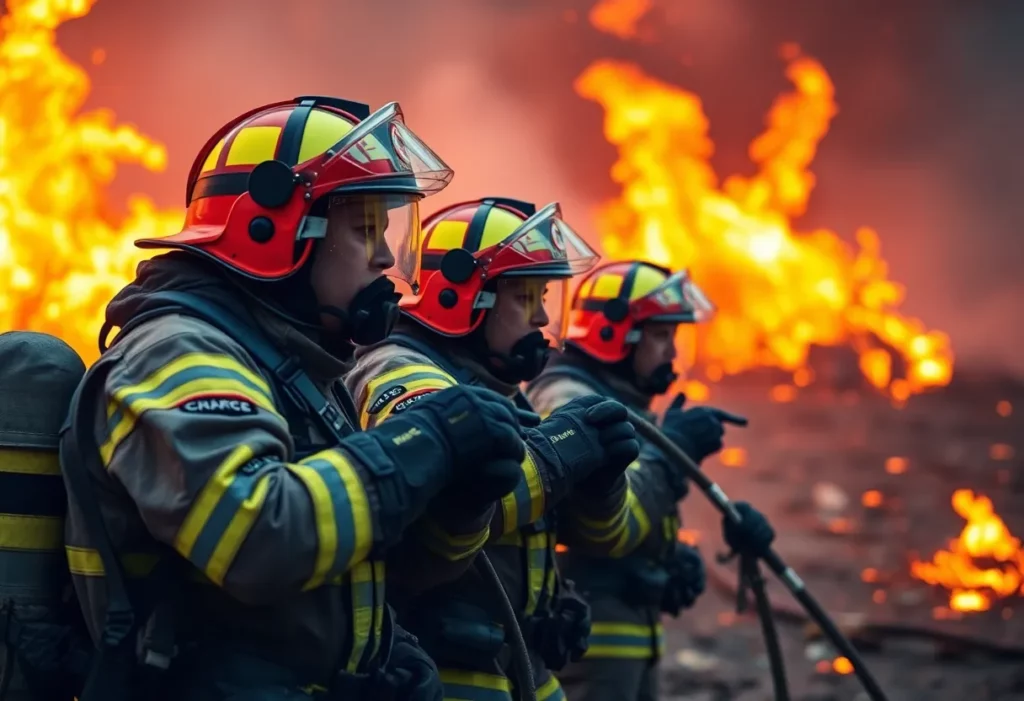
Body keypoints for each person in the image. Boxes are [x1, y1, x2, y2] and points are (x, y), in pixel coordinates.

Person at [57, 97, 526, 701]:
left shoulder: (297, 371)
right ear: (272, 229)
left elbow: (383, 562)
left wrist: (459, 506)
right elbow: (257, 537)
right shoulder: (181, 353)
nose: (386, 257)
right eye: (363, 229)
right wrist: (419, 443)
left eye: (386, 230)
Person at [346, 197, 649, 701]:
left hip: (521, 673)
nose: (542, 317)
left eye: (545, 296)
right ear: (465, 297)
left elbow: (598, 537)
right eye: (526, 298)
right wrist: (562, 455)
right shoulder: (399, 370)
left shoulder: (508, 391)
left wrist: (603, 483)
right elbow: (450, 494)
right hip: (449, 679)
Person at [526, 260, 776, 701]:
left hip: (627, 636)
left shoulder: (616, 403)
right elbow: (594, 521)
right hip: (589, 642)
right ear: (615, 332)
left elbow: (626, 506)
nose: (672, 354)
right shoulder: (569, 402)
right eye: (661, 336)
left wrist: (667, 558)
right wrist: (672, 453)